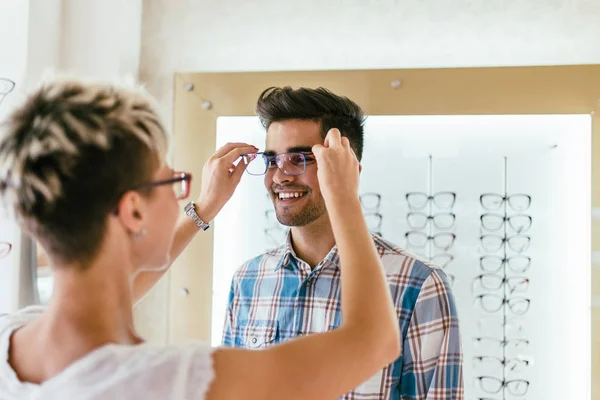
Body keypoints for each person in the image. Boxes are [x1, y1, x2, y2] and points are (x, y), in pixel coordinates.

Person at [0, 78, 400, 399]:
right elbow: (374, 340)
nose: (182, 199)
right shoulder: (174, 382)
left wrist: (205, 208)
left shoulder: (11, 337)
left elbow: (105, 287)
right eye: (172, 182)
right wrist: (342, 196)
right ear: (134, 210)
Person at [222, 87, 464, 399]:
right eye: (271, 160)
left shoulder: (419, 286)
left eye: (299, 158)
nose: (280, 176)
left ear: (349, 168)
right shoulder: (248, 281)